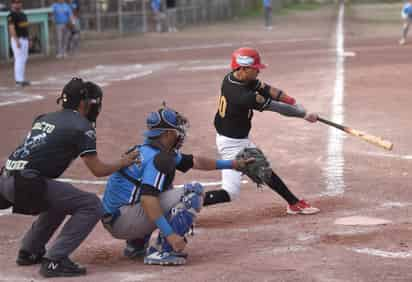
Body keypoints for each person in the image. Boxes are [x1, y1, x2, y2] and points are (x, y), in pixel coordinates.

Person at [0, 78, 139, 278]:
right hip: (25, 184)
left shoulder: (44, 118)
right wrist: (123, 161)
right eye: (94, 103)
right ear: (84, 103)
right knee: (91, 205)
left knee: (62, 198)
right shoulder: (81, 126)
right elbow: (97, 169)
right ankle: (54, 260)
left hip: (6, 179)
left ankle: (30, 250)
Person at [101, 106, 252, 265]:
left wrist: (233, 164)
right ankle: (164, 250)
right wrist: (170, 234)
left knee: (163, 189)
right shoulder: (158, 158)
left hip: (116, 217)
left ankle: (136, 244)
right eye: (177, 130)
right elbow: (147, 200)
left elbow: (196, 161)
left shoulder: (147, 150)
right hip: (124, 221)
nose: (181, 134)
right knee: (193, 193)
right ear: (166, 134)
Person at [205, 47, 320, 216]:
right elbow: (277, 108)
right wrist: (303, 114)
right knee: (259, 173)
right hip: (233, 143)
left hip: (234, 138)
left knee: (233, 190)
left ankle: (293, 202)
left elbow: (268, 90)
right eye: (255, 68)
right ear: (243, 68)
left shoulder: (234, 78)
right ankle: (294, 203)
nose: (258, 71)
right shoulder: (241, 94)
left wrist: (293, 102)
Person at [7, 0, 30, 87]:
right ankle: (18, 80)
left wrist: (28, 39)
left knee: (24, 59)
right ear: (12, 4)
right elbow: (11, 28)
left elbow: (25, 28)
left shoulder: (23, 14)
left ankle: (21, 79)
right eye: (15, 2)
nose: (17, 4)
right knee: (19, 59)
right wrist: (16, 40)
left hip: (24, 39)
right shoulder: (11, 15)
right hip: (18, 39)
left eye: (19, 2)